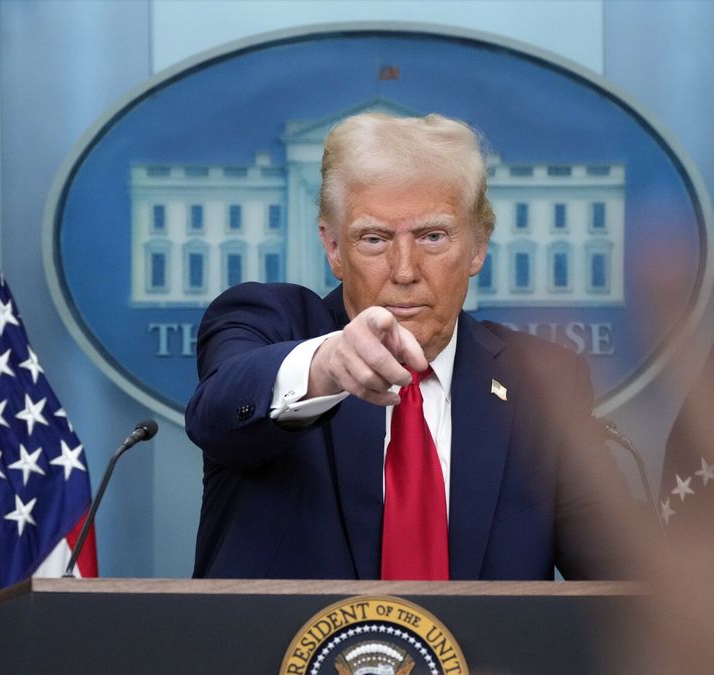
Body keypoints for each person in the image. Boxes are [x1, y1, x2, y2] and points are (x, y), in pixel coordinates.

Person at [185, 112, 633, 580]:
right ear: (334, 247)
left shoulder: (540, 382)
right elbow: (216, 413)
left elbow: (623, 583)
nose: (404, 270)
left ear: (478, 246)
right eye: (374, 239)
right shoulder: (267, 323)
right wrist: (328, 365)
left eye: (433, 236)